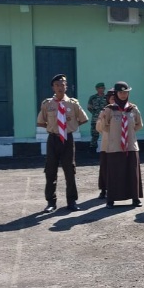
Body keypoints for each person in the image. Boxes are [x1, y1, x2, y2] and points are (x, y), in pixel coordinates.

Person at [36, 74, 89, 212]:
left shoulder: (73, 103)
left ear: (67, 86)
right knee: (50, 171)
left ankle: (71, 202)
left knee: (70, 171)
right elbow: (41, 122)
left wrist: (70, 127)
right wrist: (54, 128)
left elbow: (83, 119)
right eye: (57, 84)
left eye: (63, 84)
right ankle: (51, 202)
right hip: (53, 139)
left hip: (67, 139)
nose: (60, 87)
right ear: (53, 87)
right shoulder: (47, 104)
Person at [100, 81, 144, 208]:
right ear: (116, 93)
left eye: (126, 92)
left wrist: (128, 133)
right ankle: (111, 199)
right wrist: (116, 134)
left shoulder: (133, 109)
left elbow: (139, 124)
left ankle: (135, 198)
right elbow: (104, 126)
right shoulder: (109, 109)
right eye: (121, 92)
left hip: (130, 145)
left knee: (132, 172)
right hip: (115, 147)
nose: (123, 95)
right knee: (114, 173)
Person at [96, 89, 116, 199]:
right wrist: (103, 119)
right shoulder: (103, 111)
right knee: (105, 167)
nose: (113, 98)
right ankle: (104, 189)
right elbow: (99, 128)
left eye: (114, 96)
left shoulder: (125, 110)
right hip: (107, 144)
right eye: (111, 97)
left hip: (119, 144)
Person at [87, 82, 108, 154]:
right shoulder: (93, 97)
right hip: (95, 119)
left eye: (102, 88)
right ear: (96, 89)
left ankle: (106, 150)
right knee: (94, 135)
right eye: (99, 88)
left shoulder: (107, 97)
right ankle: (93, 151)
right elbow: (89, 107)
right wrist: (95, 114)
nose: (101, 89)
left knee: (106, 134)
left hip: (105, 119)